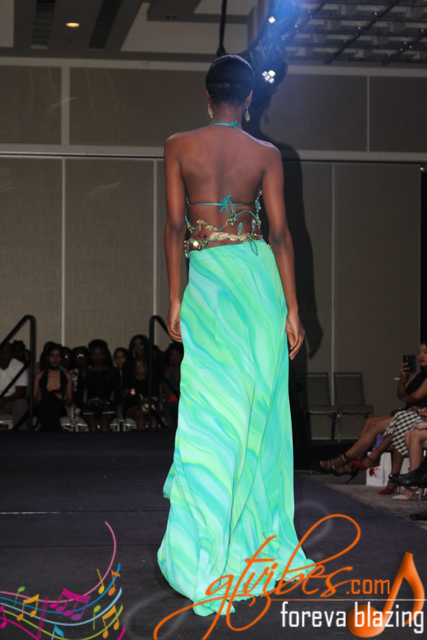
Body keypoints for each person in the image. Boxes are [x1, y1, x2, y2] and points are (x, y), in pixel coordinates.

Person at [156, 55, 312, 617]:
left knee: (208, 415)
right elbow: (281, 235)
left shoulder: (177, 146)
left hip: (208, 287)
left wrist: (175, 297)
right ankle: (247, 542)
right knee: (256, 414)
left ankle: (204, 550)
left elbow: (176, 227)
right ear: (249, 100)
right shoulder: (266, 154)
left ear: (207, 97)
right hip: (255, 287)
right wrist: (292, 308)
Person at [319, 342, 427, 492]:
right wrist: (403, 378)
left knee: (377, 426)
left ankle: (345, 459)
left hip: (417, 416)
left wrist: (409, 401)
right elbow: (401, 395)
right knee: (370, 421)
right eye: (419, 352)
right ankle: (356, 461)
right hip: (407, 413)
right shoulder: (418, 375)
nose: (421, 356)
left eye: (425, 352)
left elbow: (415, 397)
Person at [122, 335, 160, 430]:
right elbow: (127, 389)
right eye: (135, 345)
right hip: (133, 404)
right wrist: (138, 399)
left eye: (141, 344)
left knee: (154, 415)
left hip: (151, 402)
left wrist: (150, 399)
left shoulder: (153, 365)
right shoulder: (128, 366)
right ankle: (142, 438)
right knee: (141, 414)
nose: (138, 348)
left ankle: (153, 437)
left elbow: (156, 386)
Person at [78, 340, 116, 432]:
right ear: (90, 355)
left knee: (105, 421)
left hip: (107, 407)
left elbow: (117, 394)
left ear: (105, 355)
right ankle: (94, 441)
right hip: (89, 407)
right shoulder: (85, 373)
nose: (98, 357)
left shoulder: (112, 372)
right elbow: (78, 397)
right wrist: (87, 402)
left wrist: (107, 402)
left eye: (101, 354)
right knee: (91, 420)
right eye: (94, 354)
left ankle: (105, 441)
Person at [33, 344, 72, 432]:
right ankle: (56, 431)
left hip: (59, 407)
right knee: (50, 399)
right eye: (52, 355)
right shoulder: (39, 376)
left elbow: (69, 400)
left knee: (52, 401)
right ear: (47, 358)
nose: (55, 359)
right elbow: (34, 399)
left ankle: (39, 425)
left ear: (61, 358)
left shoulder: (67, 376)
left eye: (58, 356)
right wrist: (46, 399)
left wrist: (61, 400)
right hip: (42, 407)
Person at [0, 342, 28, 428]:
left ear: (12, 355)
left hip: (10, 402)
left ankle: (19, 434)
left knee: (21, 403)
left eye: (7, 353)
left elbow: (21, 392)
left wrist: (4, 399)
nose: (3, 355)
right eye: (1, 352)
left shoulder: (19, 366)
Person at [161, 342, 183, 429]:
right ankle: (170, 432)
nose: (175, 357)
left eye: (178, 354)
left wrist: (175, 389)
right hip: (171, 401)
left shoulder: (190, 372)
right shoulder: (167, 374)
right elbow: (166, 393)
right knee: (167, 406)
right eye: (172, 355)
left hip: (185, 401)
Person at [113, 347, 128, 415]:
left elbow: (134, 390)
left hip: (129, 400)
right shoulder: (112, 372)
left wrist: (129, 391)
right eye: (117, 357)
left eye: (122, 357)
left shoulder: (131, 372)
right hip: (115, 402)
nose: (120, 360)